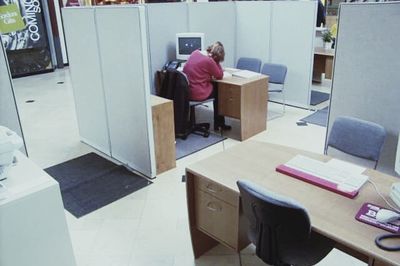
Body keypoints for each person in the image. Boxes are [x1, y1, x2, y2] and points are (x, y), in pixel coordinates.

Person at [183, 41, 231, 131]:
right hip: (197, 94)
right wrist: (216, 63)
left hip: (188, 92)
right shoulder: (209, 61)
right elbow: (220, 75)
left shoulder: (195, 52)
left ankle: (219, 124)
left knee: (214, 86)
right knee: (218, 90)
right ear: (216, 56)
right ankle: (219, 124)